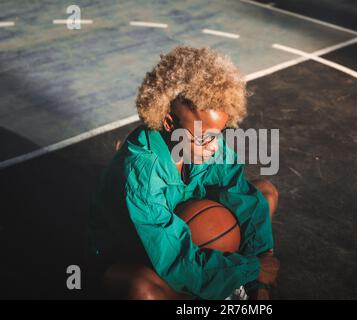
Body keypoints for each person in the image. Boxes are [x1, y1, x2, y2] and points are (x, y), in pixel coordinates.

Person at [88, 46, 280, 300]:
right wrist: (251, 269)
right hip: (138, 252)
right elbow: (174, 259)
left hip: (184, 229)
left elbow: (239, 193)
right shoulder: (142, 172)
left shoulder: (205, 142)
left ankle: (226, 284)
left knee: (263, 195)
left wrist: (261, 273)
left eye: (218, 134)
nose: (213, 146)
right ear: (169, 122)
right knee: (143, 291)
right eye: (203, 138)